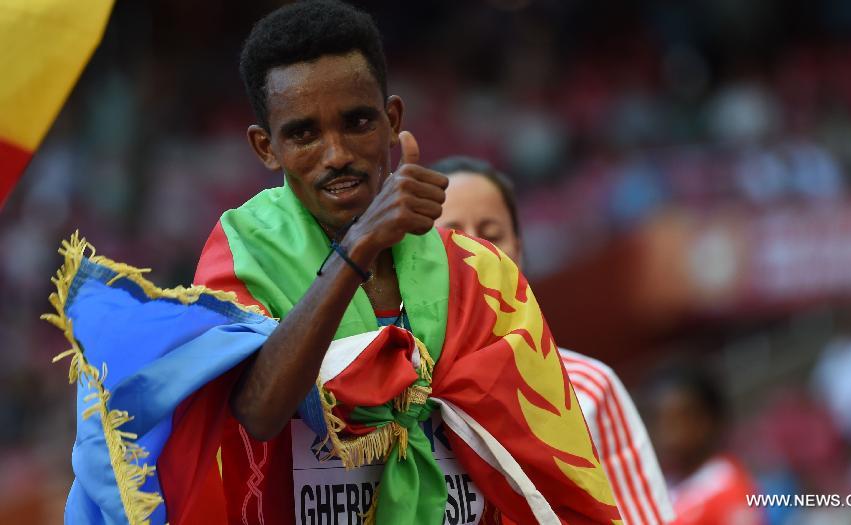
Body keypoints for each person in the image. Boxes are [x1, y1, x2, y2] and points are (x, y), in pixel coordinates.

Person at [189, 1, 619, 524]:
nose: (336, 153)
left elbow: (543, 465)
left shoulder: (482, 276)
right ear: (266, 148)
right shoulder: (241, 255)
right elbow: (258, 410)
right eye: (303, 134)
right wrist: (358, 246)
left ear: (392, 120)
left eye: (358, 122)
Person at [432, 155, 675, 525]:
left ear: (519, 247)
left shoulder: (591, 390)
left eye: (491, 234)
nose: (477, 255)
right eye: (453, 236)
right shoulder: (395, 390)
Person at [648, 366, 766, 525]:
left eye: (679, 420)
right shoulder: (659, 486)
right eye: (660, 420)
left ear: (708, 419)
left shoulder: (727, 487)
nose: (668, 433)